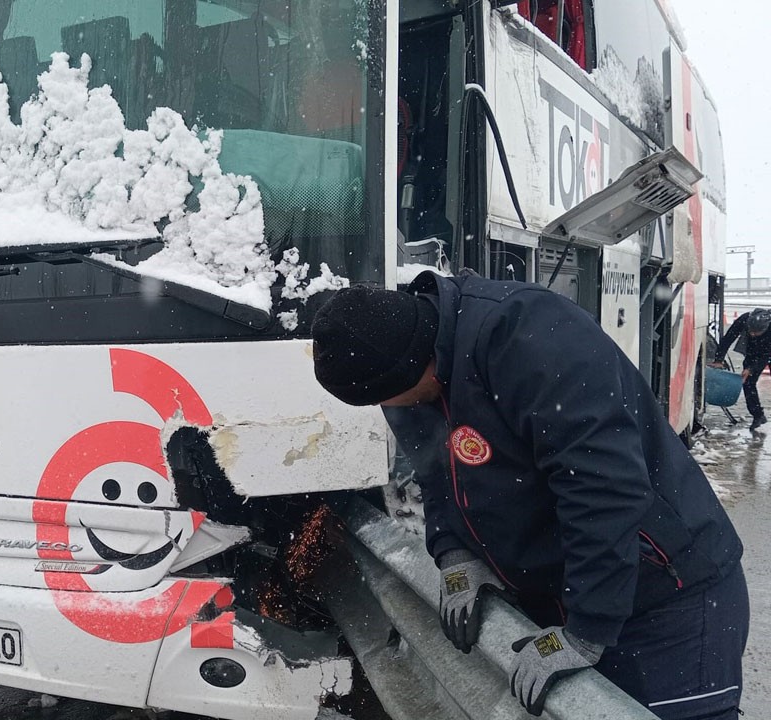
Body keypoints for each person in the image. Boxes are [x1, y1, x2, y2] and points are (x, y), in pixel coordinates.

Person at [311, 271, 747, 719]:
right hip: (568, 593)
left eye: (389, 398)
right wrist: (455, 551)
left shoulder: (529, 335)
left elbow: (602, 489)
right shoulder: (413, 372)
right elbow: (438, 472)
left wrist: (586, 626)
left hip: (666, 597)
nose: (391, 409)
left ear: (412, 365)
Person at [711, 308, 771, 431]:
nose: (752, 334)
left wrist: (751, 368)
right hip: (752, 351)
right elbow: (728, 338)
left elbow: (766, 355)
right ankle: (758, 416)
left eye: (756, 332)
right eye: (751, 332)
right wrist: (719, 359)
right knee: (748, 382)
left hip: (767, 350)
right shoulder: (744, 319)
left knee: (749, 373)